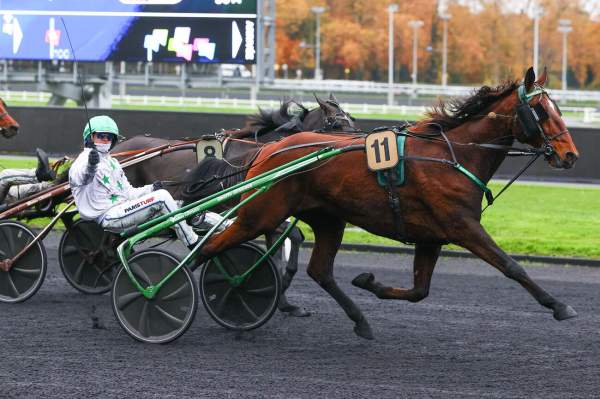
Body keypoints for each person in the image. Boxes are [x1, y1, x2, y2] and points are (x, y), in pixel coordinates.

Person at [69, 115, 205, 248]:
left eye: (109, 137)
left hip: (123, 209)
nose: (105, 140)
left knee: (183, 205)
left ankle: (221, 229)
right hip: (109, 217)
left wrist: (151, 188)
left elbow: (128, 192)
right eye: (100, 136)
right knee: (162, 198)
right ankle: (192, 242)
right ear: (90, 137)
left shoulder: (113, 162)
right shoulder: (82, 161)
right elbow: (81, 179)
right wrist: (91, 166)